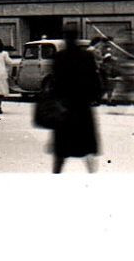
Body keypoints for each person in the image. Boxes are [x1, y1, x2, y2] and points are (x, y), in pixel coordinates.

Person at [48, 28, 102, 173]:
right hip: (82, 108)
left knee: (60, 152)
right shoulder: (86, 56)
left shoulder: (59, 57)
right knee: (87, 149)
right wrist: (95, 96)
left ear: (65, 39)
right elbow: (95, 81)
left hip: (64, 109)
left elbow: (54, 84)